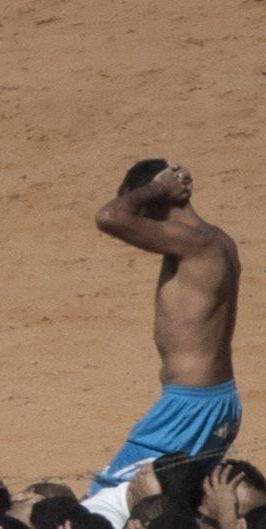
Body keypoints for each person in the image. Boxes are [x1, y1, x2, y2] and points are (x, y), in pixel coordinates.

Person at [91, 159, 242, 507]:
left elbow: (109, 217)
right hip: (214, 402)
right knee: (172, 508)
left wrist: (158, 189)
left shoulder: (196, 243)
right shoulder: (217, 241)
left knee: (103, 510)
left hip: (188, 409)